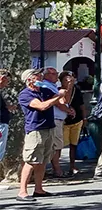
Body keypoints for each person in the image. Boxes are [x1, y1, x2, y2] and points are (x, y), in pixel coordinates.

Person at [15, 69, 64, 201]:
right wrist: (58, 96)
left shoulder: (44, 91)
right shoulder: (25, 95)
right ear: (29, 79)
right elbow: (42, 106)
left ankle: (39, 189)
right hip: (35, 129)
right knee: (31, 161)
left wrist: (62, 92)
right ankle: (22, 192)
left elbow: (59, 100)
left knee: (42, 161)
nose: (40, 77)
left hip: (49, 128)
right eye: (37, 75)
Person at [59, 70, 85, 178]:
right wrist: (68, 87)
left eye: (70, 79)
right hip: (65, 121)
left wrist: (84, 118)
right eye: (66, 80)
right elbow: (65, 100)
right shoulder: (59, 91)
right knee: (60, 145)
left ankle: (72, 166)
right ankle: (58, 167)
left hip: (77, 120)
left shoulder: (77, 90)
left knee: (73, 144)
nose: (69, 81)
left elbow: (81, 105)